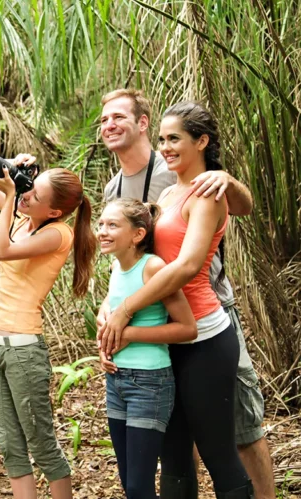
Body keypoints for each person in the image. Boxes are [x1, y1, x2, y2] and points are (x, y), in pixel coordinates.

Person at [98, 89, 273, 498]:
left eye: (174, 138)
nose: (165, 148)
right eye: (162, 139)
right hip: (166, 334)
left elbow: (189, 265)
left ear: (201, 142)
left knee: (218, 452)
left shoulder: (208, 193)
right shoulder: (167, 194)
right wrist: (111, 310)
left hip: (206, 337)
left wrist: (126, 311)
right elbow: (139, 260)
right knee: (174, 457)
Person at [0, 159, 97, 499]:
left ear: (54, 212)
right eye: (28, 188)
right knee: (10, 445)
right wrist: (11, 166)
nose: (26, 196)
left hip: (22, 351)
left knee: (42, 447)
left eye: (34, 196)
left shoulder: (58, 234)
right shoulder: (25, 216)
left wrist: (11, 196)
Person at [97, 198, 197, 498]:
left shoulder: (153, 267)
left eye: (113, 225)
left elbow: (187, 328)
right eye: (101, 224)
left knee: (140, 487)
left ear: (138, 234)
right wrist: (104, 342)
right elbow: (113, 315)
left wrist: (129, 332)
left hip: (149, 384)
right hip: (116, 381)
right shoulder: (116, 265)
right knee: (129, 483)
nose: (102, 231)